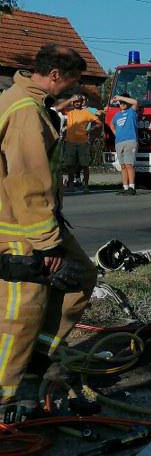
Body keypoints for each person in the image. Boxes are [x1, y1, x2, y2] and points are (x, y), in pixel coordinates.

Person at [0, 45, 97, 418]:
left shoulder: (21, 99)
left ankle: (38, 361)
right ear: (55, 74)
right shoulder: (25, 111)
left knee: (81, 278)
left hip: (38, 222)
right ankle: (5, 398)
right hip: (20, 228)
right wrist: (46, 244)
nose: (73, 90)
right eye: (72, 80)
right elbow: (27, 182)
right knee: (21, 315)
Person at [59, 94, 99, 192]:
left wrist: (90, 130)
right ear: (73, 103)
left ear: (82, 102)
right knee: (70, 165)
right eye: (75, 101)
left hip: (83, 143)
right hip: (70, 142)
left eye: (79, 101)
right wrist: (70, 99)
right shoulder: (69, 112)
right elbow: (59, 108)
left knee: (85, 165)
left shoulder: (86, 112)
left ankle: (86, 186)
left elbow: (99, 123)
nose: (77, 103)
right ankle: (71, 186)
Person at [110, 94, 139, 196]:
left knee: (129, 164)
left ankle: (132, 187)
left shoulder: (131, 112)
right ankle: (125, 187)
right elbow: (111, 124)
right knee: (122, 166)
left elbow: (135, 102)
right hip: (119, 142)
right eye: (120, 103)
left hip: (130, 141)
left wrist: (120, 98)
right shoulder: (117, 115)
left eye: (124, 102)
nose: (122, 104)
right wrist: (116, 133)